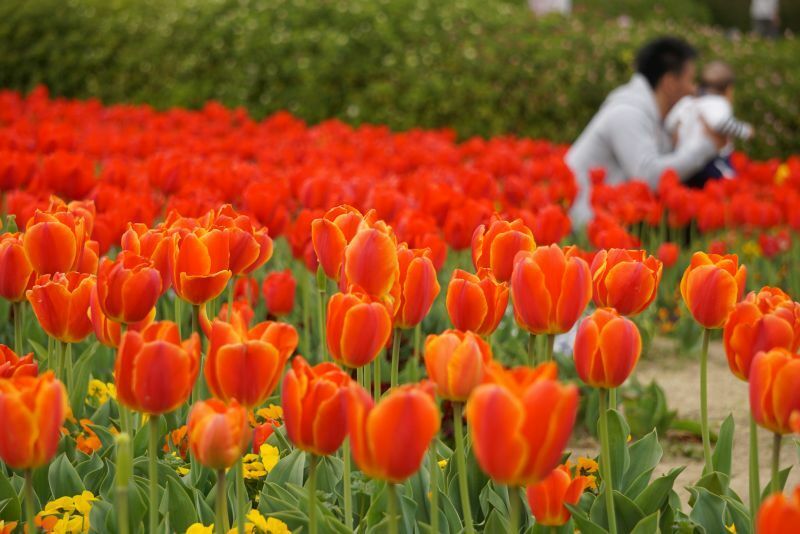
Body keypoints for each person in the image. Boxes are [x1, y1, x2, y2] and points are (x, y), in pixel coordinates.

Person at [566, 37, 723, 227]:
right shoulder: (627, 113)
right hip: (582, 226)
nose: (693, 90)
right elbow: (649, 176)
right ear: (669, 82)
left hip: (604, 225)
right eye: (690, 80)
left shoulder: (651, 115)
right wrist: (707, 145)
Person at [665, 60, 754, 188]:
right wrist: (745, 131)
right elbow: (719, 123)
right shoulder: (718, 103)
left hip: (685, 161)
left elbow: (669, 124)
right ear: (729, 90)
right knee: (733, 184)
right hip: (711, 160)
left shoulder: (687, 103)